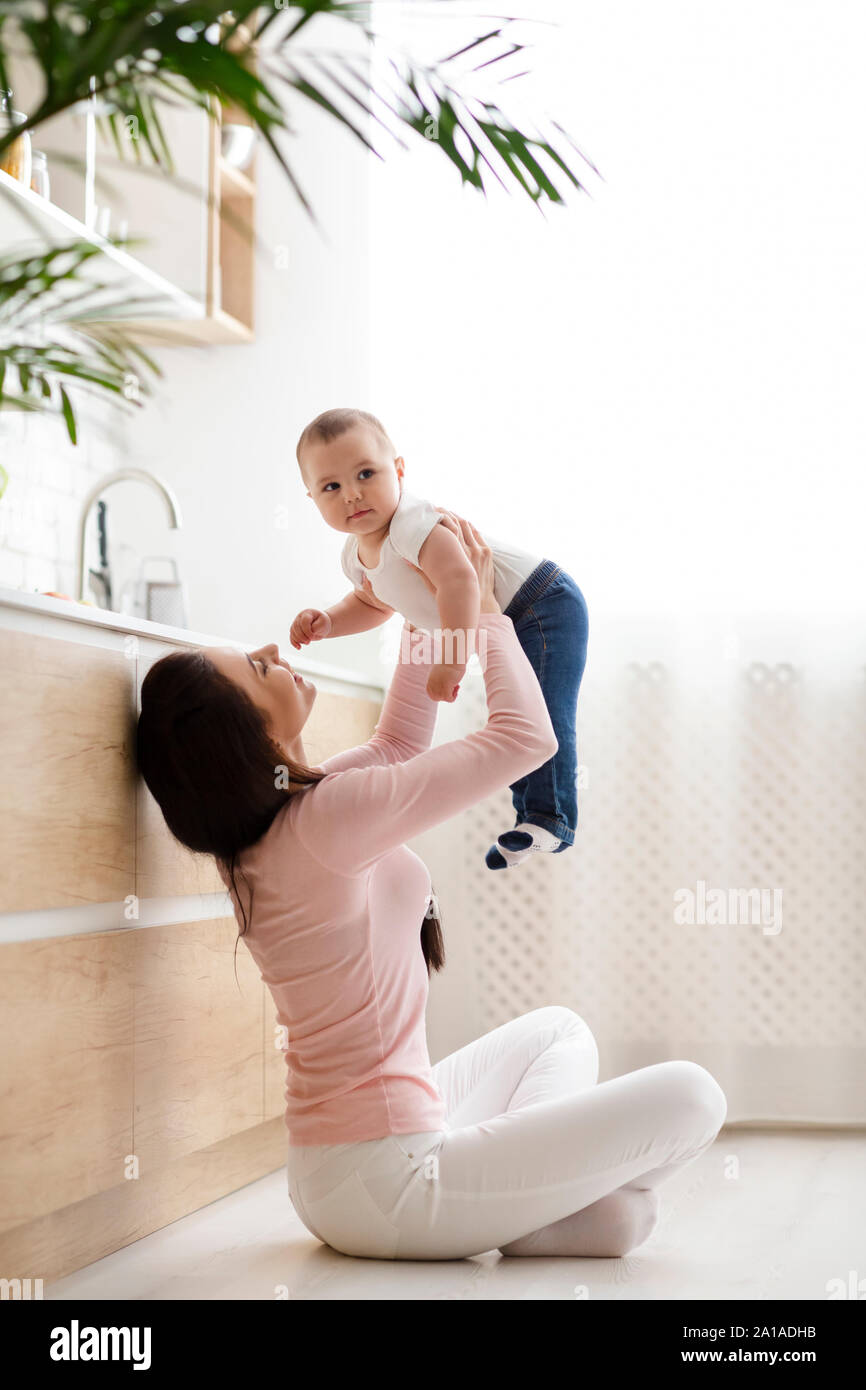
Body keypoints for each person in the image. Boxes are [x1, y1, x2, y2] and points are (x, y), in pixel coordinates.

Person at [136, 515, 726, 1261]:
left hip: (349, 1173)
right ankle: (507, 1197)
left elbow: (397, 744)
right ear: (244, 736)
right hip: (387, 1181)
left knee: (559, 1036)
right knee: (695, 1096)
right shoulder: (323, 819)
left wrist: (423, 594)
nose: (269, 651)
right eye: (254, 669)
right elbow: (525, 740)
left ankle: (516, 1199)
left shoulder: (285, 823)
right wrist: (482, 612)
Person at [291, 406, 589, 869]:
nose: (352, 494)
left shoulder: (414, 524)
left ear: (400, 470)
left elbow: (461, 582)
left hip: (541, 601)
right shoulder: (355, 554)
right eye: (331, 486)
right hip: (501, 615)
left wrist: (450, 660)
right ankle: (534, 815)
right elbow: (373, 605)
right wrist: (327, 621)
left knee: (543, 710)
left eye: (366, 473)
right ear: (311, 498)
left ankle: (551, 820)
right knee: (515, 709)